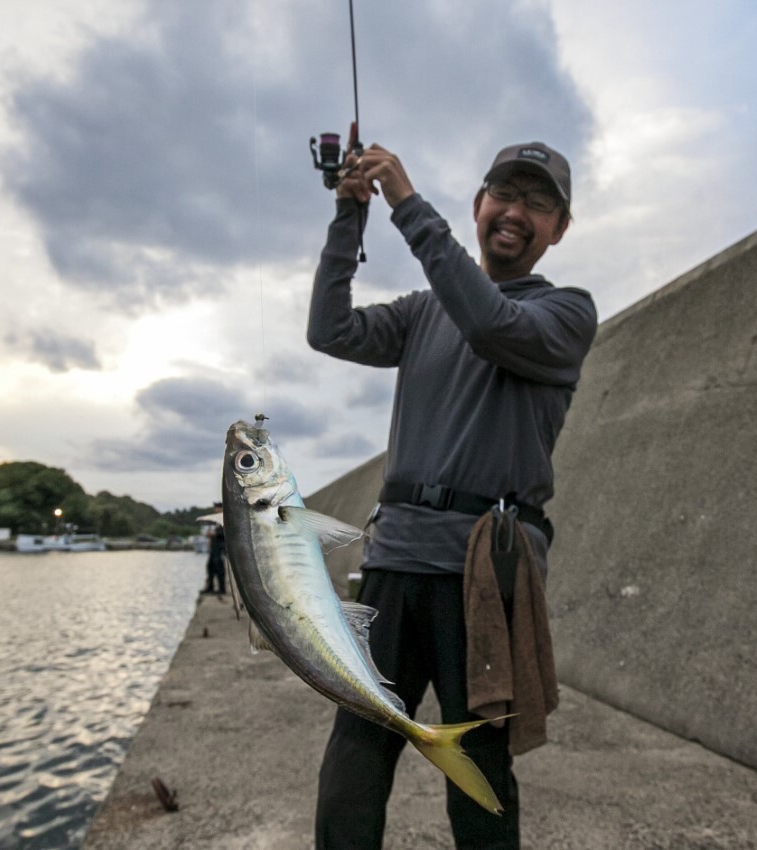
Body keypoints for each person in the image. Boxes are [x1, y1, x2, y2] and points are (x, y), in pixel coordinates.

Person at [307, 139, 597, 849]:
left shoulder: (564, 314)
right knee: (355, 753)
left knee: (479, 767)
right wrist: (350, 218)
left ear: (558, 229)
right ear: (478, 206)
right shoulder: (419, 311)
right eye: (505, 193)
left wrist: (406, 205)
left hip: (484, 579)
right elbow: (329, 330)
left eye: (538, 203)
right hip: (393, 563)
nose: (516, 211)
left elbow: (491, 324)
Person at [203, 523, 226, 595]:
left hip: (219, 550)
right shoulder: (216, 525)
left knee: (219, 570)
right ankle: (210, 587)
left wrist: (215, 533)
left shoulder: (224, 523)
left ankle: (222, 589)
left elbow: (225, 534)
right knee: (210, 568)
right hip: (214, 550)